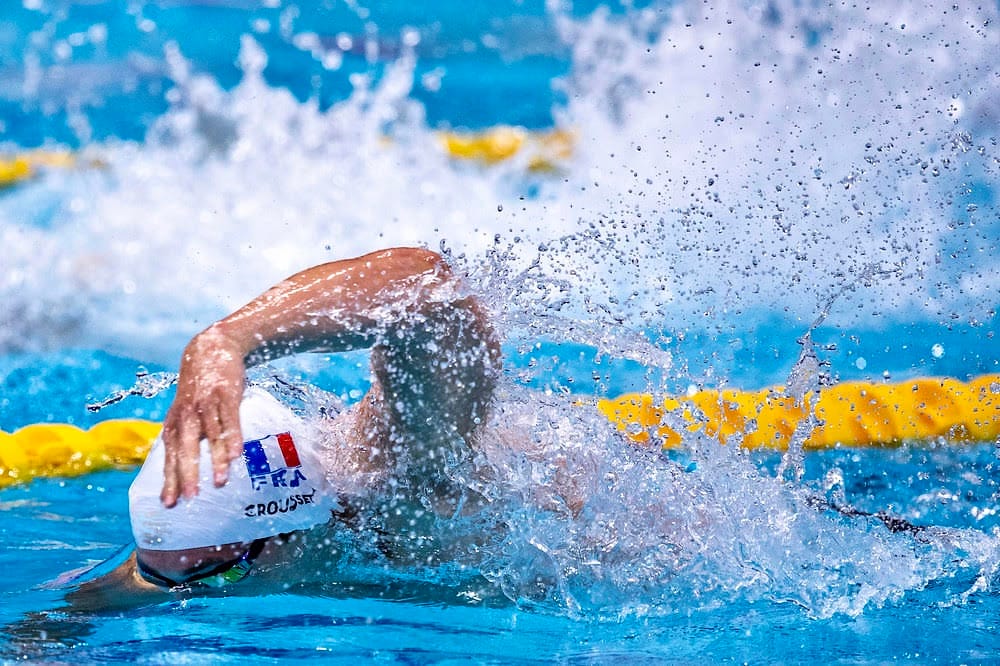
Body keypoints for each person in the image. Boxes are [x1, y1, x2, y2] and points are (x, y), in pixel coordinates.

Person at [72, 247, 505, 599]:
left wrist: (225, 342)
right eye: (153, 575)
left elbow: (427, 286)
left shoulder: (410, 476)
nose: (181, 600)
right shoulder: (191, 564)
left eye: (217, 577)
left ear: (290, 531)